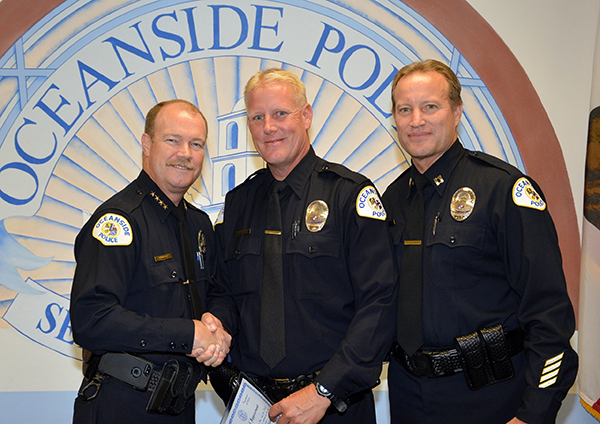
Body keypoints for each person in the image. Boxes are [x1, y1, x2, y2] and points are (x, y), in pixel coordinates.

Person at [383, 59, 578, 424]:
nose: (416, 121)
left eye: (430, 107)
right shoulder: (392, 200)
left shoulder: (502, 189)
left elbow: (549, 316)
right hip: (408, 398)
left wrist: (534, 415)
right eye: (404, 109)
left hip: (490, 397)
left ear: (457, 112)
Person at [208, 68, 397, 424]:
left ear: (306, 115)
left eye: (281, 113)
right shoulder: (238, 204)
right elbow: (225, 292)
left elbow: (380, 304)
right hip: (257, 408)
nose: (269, 127)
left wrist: (322, 392)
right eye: (257, 117)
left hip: (333, 406)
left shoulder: (348, 195)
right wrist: (215, 322)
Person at [70, 99, 231, 423]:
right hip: (122, 404)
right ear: (147, 144)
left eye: (196, 144)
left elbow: (216, 291)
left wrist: (217, 322)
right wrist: (187, 334)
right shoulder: (119, 222)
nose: (185, 153)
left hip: (177, 405)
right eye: (173, 140)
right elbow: (92, 319)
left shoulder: (198, 225)